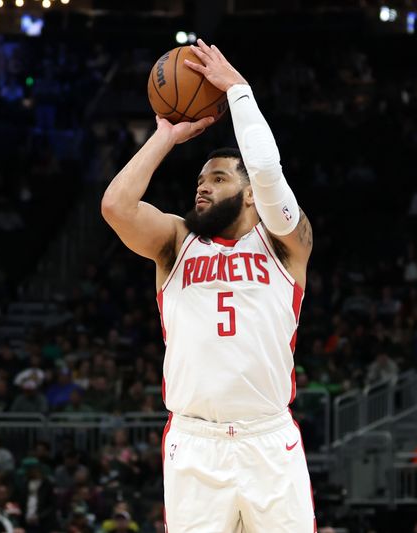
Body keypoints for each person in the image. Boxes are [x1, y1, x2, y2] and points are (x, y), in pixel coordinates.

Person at [101, 39, 314, 531]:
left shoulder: (286, 243)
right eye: (200, 178)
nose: (203, 186)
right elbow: (115, 207)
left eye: (217, 178)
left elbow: (265, 169)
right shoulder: (175, 240)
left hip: (269, 440)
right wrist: (165, 137)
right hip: (195, 444)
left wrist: (238, 91)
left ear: (249, 196)